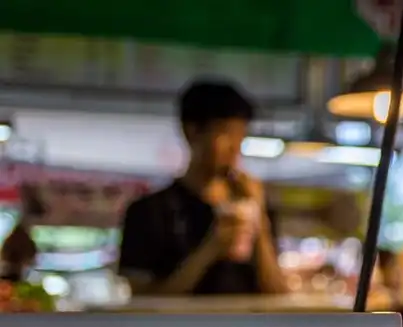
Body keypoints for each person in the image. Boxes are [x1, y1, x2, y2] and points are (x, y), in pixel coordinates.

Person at [118, 80, 286, 295]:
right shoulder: (149, 212)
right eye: (226, 133)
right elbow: (143, 304)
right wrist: (212, 248)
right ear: (192, 132)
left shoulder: (251, 206)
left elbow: (278, 294)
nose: (235, 147)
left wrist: (259, 220)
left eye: (240, 135)